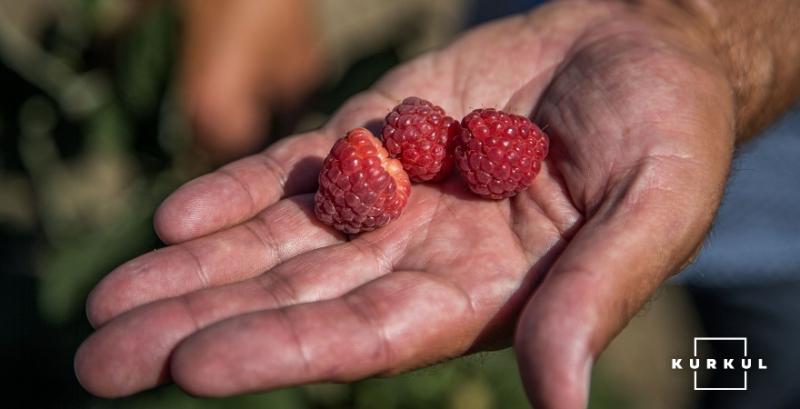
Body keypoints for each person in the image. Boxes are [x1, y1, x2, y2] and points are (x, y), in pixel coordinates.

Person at [74, 1, 800, 408]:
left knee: (756, 374)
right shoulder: (444, 144)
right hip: (554, 68)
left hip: (785, 245)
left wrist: (709, 34)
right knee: (733, 375)